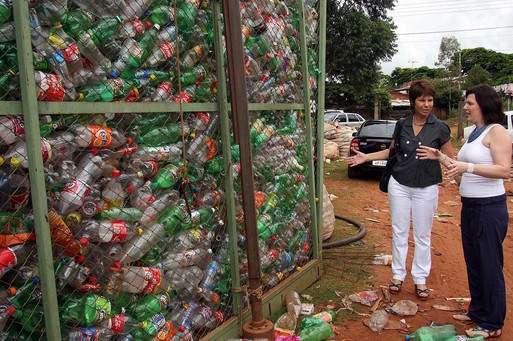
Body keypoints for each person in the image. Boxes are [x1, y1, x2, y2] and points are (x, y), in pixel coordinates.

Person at [346, 80, 454, 300]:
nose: (426, 104)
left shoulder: (440, 127)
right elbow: (391, 152)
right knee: (399, 232)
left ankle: (420, 279)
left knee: (423, 235)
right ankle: (397, 275)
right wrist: (366, 156)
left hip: (426, 187)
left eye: (430, 100)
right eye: (421, 100)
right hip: (400, 184)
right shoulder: (402, 124)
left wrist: (439, 156)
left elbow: (451, 159)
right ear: (412, 101)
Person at [418, 84, 511, 338]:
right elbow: (460, 165)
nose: (466, 107)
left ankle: (492, 323)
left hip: (489, 208)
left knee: (489, 264)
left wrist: (467, 167)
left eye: (470, 103)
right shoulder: (473, 133)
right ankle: (477, 312)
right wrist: (440, 157)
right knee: (474, 262)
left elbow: (504, 170)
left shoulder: (497, 132)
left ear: (483, 104)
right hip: (470, 207)